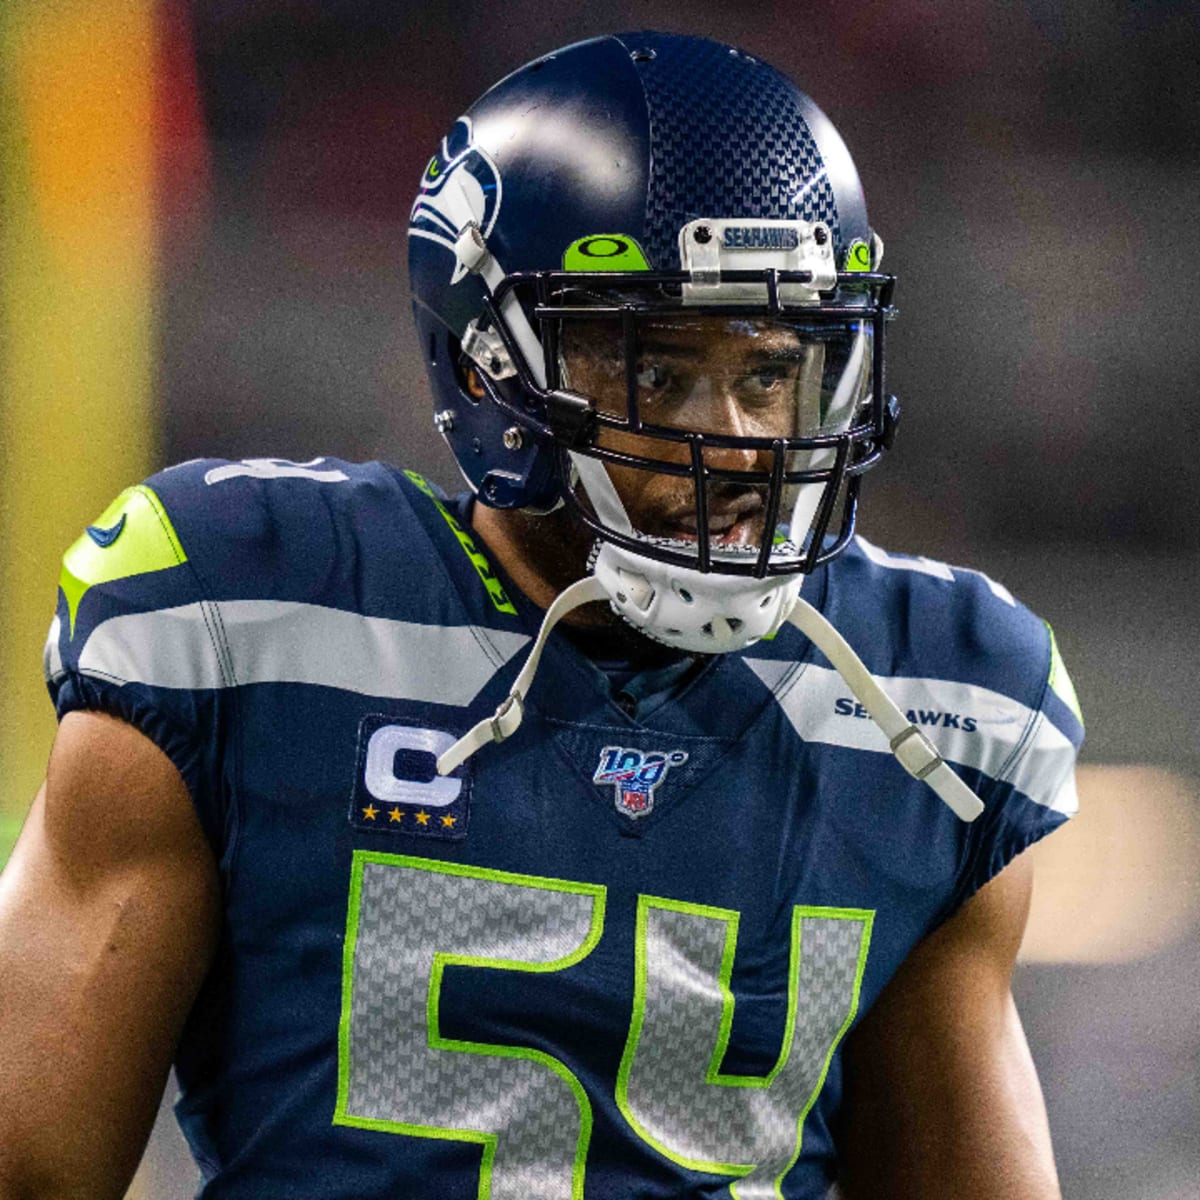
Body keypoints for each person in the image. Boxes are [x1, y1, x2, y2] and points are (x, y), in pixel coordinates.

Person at [0, 31, 1083, 1200]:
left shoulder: (936, 700)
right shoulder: (247, 614)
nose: (731, 444)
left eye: (767, 373)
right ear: (485, 372)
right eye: (657, 373)